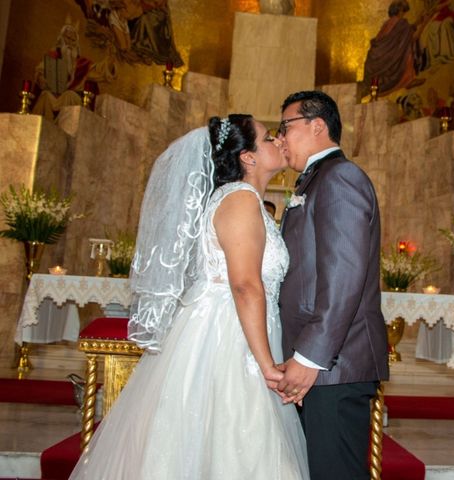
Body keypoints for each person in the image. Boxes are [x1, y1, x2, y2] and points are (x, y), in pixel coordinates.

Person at [69, 115, 309, 479]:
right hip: (230, 342)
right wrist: (267, 367)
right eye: (268, 137)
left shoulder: (241, 201)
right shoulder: (241, 201)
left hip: (234, 332)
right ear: (248, 157)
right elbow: (245, 286)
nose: (278, 141)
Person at [276, 90, 390, 479]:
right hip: (321, 366)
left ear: (317, 126)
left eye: (285, 127)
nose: (280, 139)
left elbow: (344, 276)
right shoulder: (313, 182)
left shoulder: (341, 177)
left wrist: (309, 357)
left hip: (332, 366)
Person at [362, 0, 427, 99]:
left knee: (405, 46)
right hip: (390, 59)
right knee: (407, 49)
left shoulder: (388, 23)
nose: (404, 14)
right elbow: (412, 37)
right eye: (403, 11)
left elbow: (403, 34)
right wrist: (425, 23)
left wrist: (418, 21)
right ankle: (408, 79)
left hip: (376, 59)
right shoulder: (401, 23)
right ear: (399, 10)